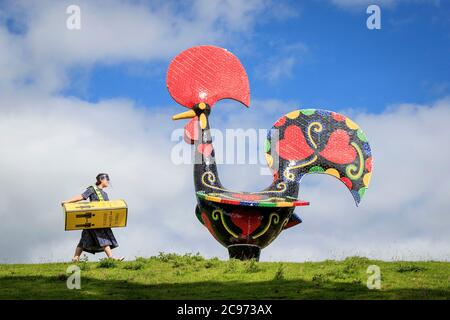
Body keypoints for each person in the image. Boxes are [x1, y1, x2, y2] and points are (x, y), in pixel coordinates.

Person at [62, 173, 124, 262]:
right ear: (101, 180)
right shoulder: (92, 189)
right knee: (102, 237)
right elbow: (81, 196)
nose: (108, 182)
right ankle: (111, 257)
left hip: (100, 220)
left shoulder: (105, 194)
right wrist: (67, 201)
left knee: (84, 239)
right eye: (107, 179)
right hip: (93, 219)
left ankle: (75, 258)